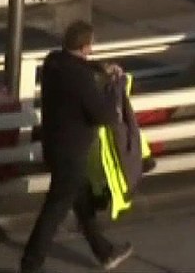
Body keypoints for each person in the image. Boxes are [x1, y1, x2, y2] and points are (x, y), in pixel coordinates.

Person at [20, 21, 135, 273]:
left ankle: (104, 252)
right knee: (55, 209)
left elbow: (74, 64)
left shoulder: (53, 62)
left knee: (81, 201)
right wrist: (112, 93)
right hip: (72, 153)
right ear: (86, 47)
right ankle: (30, 264)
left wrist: (100, 67)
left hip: (53, 144)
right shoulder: (81, 79)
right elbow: (104, 115)